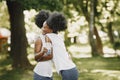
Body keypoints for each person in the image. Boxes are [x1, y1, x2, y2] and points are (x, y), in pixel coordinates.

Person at [42, 12, 79, 80]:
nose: (42, 29)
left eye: (45, 27)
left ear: (51, 29)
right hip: (72, 69)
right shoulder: (58, 37)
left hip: (67, 71)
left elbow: (47, 54)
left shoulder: (47, 36)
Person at [33, 10, 53, 80]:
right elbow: (36, 57)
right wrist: (43, 53)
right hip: (40, 74)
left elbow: (50, 56)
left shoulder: (51, 37)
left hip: (49, 74)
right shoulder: (39, 39)